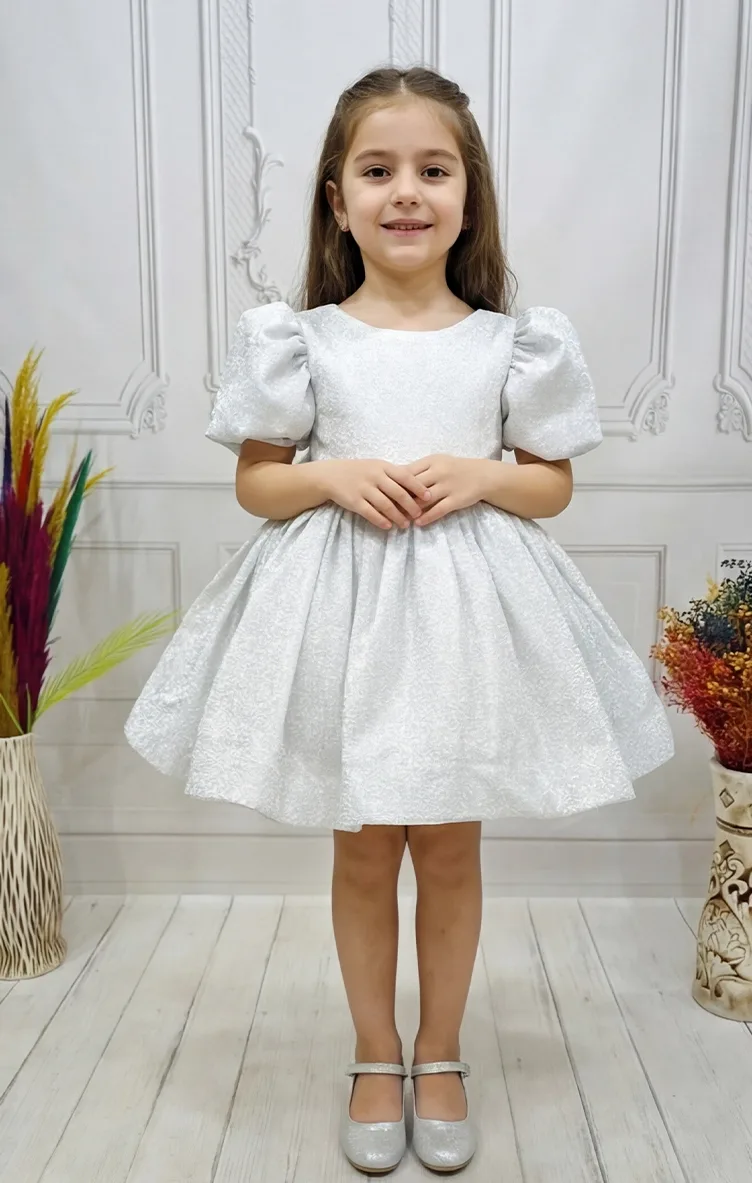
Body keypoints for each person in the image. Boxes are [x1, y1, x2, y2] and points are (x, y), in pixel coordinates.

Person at [124, 65, 675, 1176]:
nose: (407, 192)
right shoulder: (303, 338)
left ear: (469, 196)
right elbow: (258, 483)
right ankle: (376, 1053)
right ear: (337, 200)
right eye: (377, 171)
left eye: (434, 170)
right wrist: (332, 475)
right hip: (348, 623)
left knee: (453, 849)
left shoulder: (509, 341)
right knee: (365, 847)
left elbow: (551, 485)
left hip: (466, 624)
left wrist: (482, 474)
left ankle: (440, 1051)